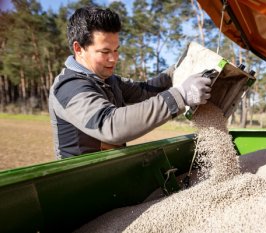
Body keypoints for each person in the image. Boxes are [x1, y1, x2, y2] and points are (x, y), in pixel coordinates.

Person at [49, 6, 212, 159]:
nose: (113, 59)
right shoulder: (69, 87)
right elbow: (110, 125)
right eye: (104, 51)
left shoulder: (110, 80)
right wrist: (181, 96)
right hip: (78, 183)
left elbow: (146, 91)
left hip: (110, 173)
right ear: (78, 49)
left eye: (116, 50)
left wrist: (180, 68)